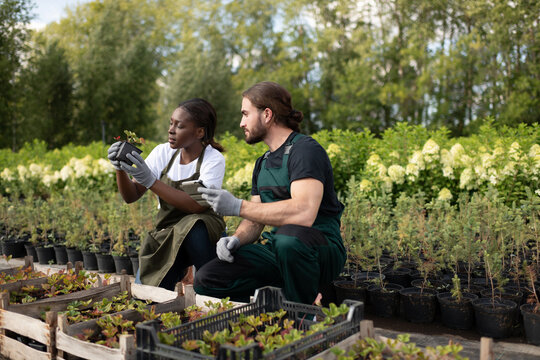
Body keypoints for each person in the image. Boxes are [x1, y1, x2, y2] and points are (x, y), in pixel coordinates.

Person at [195, 82, 346, 305]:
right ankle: (269, 308)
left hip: (318, 249)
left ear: (267, 114)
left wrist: (238, 206)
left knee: (288, 240)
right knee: (207, 279)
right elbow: (255, 221)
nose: (241, 122)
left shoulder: (304, 151)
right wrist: (236, 239)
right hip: (278, 249)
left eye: (246, 114)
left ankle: (304, 313)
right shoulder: (263, 163)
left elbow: (304, 213)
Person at [107, 98, 226, 291]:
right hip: (169, 234)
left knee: (195, 226)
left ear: (200, 132)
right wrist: (120, 168)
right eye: (171, 123)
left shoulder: (213, 159)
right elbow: (131, 196)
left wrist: (151, 181)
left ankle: (211, 285)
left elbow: (196, 205)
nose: (171, 130)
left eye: (179, 126)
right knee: (147, 294)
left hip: (204, 237)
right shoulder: (163, 152)